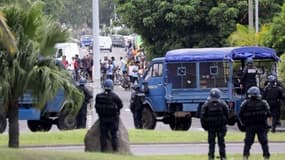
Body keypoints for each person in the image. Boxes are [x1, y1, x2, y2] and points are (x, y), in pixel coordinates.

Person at [239, 86, 271, 160]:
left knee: (248, 143)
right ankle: (266, 157)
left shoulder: (245, 103)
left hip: (250, 126)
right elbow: (269, 114)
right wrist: (268, 126)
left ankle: (245, 156)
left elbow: (240, 115)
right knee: (264, 142)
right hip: (261, 126)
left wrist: (244, 124)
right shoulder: (264, 103)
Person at [95, 79, 123, 152]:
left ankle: (103, 149)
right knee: (114, 135)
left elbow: (96, 107)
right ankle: (115, 149)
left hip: (103, 119)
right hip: (113, 119)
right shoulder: (114, 96)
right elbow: (121, 105)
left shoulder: (98, 96)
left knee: (103, 135)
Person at [200, 88, 229, 160]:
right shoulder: (223, 104)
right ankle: (223, 157)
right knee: (221, 143)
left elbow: (202, 117)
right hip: (220, 127)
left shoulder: (206, 105)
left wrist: (205, 127)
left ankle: (211, 157)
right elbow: (227, 114)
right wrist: (224, 124)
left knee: (211, 143)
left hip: (211, 127)